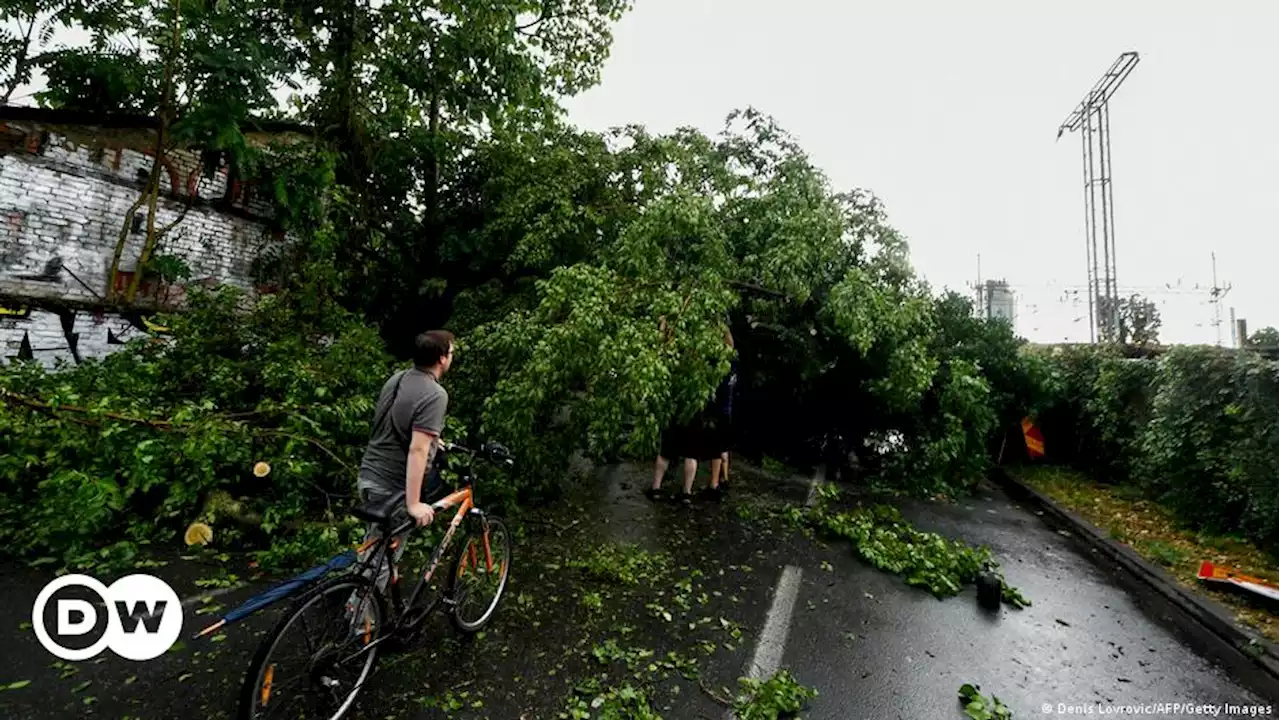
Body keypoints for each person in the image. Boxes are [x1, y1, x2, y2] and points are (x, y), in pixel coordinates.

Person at [354, 329, 455, 595]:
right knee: (382, 563)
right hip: (392, 487)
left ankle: (357, 598)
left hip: (368, 475)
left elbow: (396, 422)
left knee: (374, 549)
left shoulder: (398, 378)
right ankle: (359, 625)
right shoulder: (435, 394)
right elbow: (417, 451)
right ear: (442, 358)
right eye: (452, 352)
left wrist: (435, 439)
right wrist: (413, 504)